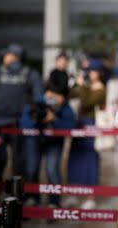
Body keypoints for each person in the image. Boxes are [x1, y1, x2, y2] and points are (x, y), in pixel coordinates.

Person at [21, 71, 76, 208]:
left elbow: (70, 126)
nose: (54, 99)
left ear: (64, 96)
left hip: (54, 142)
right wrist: (36, 118)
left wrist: (54, 119)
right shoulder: (37, 102)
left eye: (58, 96)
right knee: (31, 169)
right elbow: (24, 124)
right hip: (34, 141)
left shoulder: (65, 108)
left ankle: (54, 202)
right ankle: (31, 198)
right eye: (51, 95)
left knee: (52, 170)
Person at [0, 43, 44, 179]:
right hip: (21, 125)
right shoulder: (30, 74)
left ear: (15, 56)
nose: (4, 56)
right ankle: (18, 197)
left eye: (7, 54)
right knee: (20, 165)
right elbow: (39, 99)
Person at [66, 58, 106, 210]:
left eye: (93, 71)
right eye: (90, 71)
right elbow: (71, 95)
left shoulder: (101, 88)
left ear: (100, 73)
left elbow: (86, 102)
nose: (91, 73)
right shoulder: (86, 85)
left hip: (91, 125)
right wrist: (76, 83)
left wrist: (82, 84)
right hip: (79, 123)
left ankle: (91, 196)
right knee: (74, 157)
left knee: (90, 160)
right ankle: (72, 193)